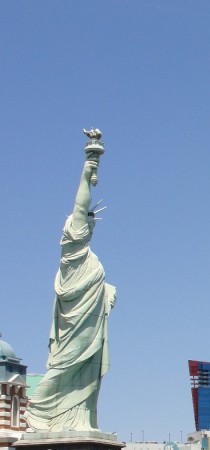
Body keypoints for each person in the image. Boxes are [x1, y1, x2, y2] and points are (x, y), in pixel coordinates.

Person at [27, 137, 116, 432]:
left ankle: (78, 422)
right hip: (75, 328)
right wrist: (90, 165)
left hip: (89, 327)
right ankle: (40, 413)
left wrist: (106, 294)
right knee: (64, 368)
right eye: (85, 223)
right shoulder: (73, 251)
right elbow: (80, 205)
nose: (89, 224)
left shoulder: (88, 256)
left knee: (85, 375)